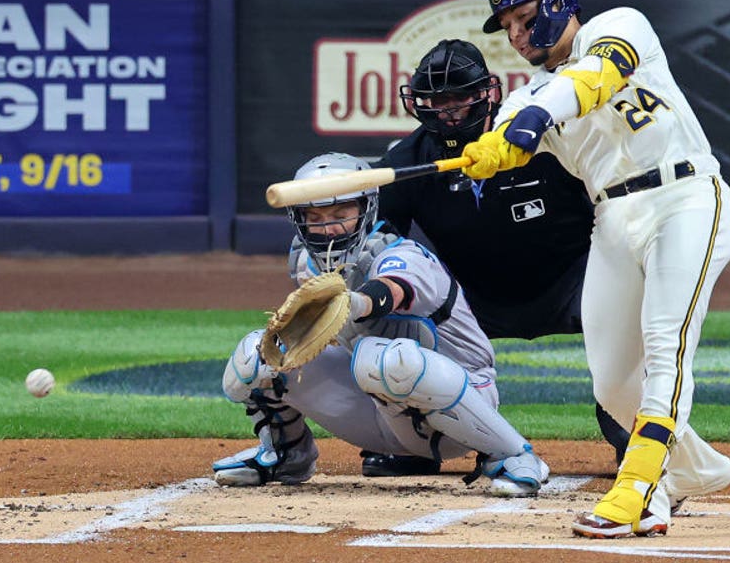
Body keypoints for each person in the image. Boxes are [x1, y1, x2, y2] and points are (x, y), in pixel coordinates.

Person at [464, 0, 730, 538]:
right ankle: (696, 470)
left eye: (524, 18)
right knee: (613, 385)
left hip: (686, 197)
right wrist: (491, 150)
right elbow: (513, 130)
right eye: (506, 27)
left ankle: (639, 488)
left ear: (560, 3)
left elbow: (593, 80)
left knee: (666, 344)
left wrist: (535, 117)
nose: (516, 36)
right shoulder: (528, 95)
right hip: (612, 217)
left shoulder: (620, 26)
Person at [363, 38, 630, 478]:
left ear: (487, 94)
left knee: (627, 311)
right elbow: (380, 235)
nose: (446, 111)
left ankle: (632, 438)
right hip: (471, 298)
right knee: (398, 321)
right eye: (435, 101)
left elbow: (612, 194)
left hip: (572, 281)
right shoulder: (409, 161)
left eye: (457, 99)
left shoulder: (548, 140)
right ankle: (414, 442)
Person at [211, 152, 549, 497]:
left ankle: (511, 454)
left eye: (340, 214)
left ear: (365, 209)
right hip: (377, 408)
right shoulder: (305, 262)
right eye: (315, 216)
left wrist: (356, 302)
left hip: (461, 407)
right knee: (257, 356)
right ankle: (286, 454)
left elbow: (394, 288)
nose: (328, 227)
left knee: (383, 358)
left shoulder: (402, 254)